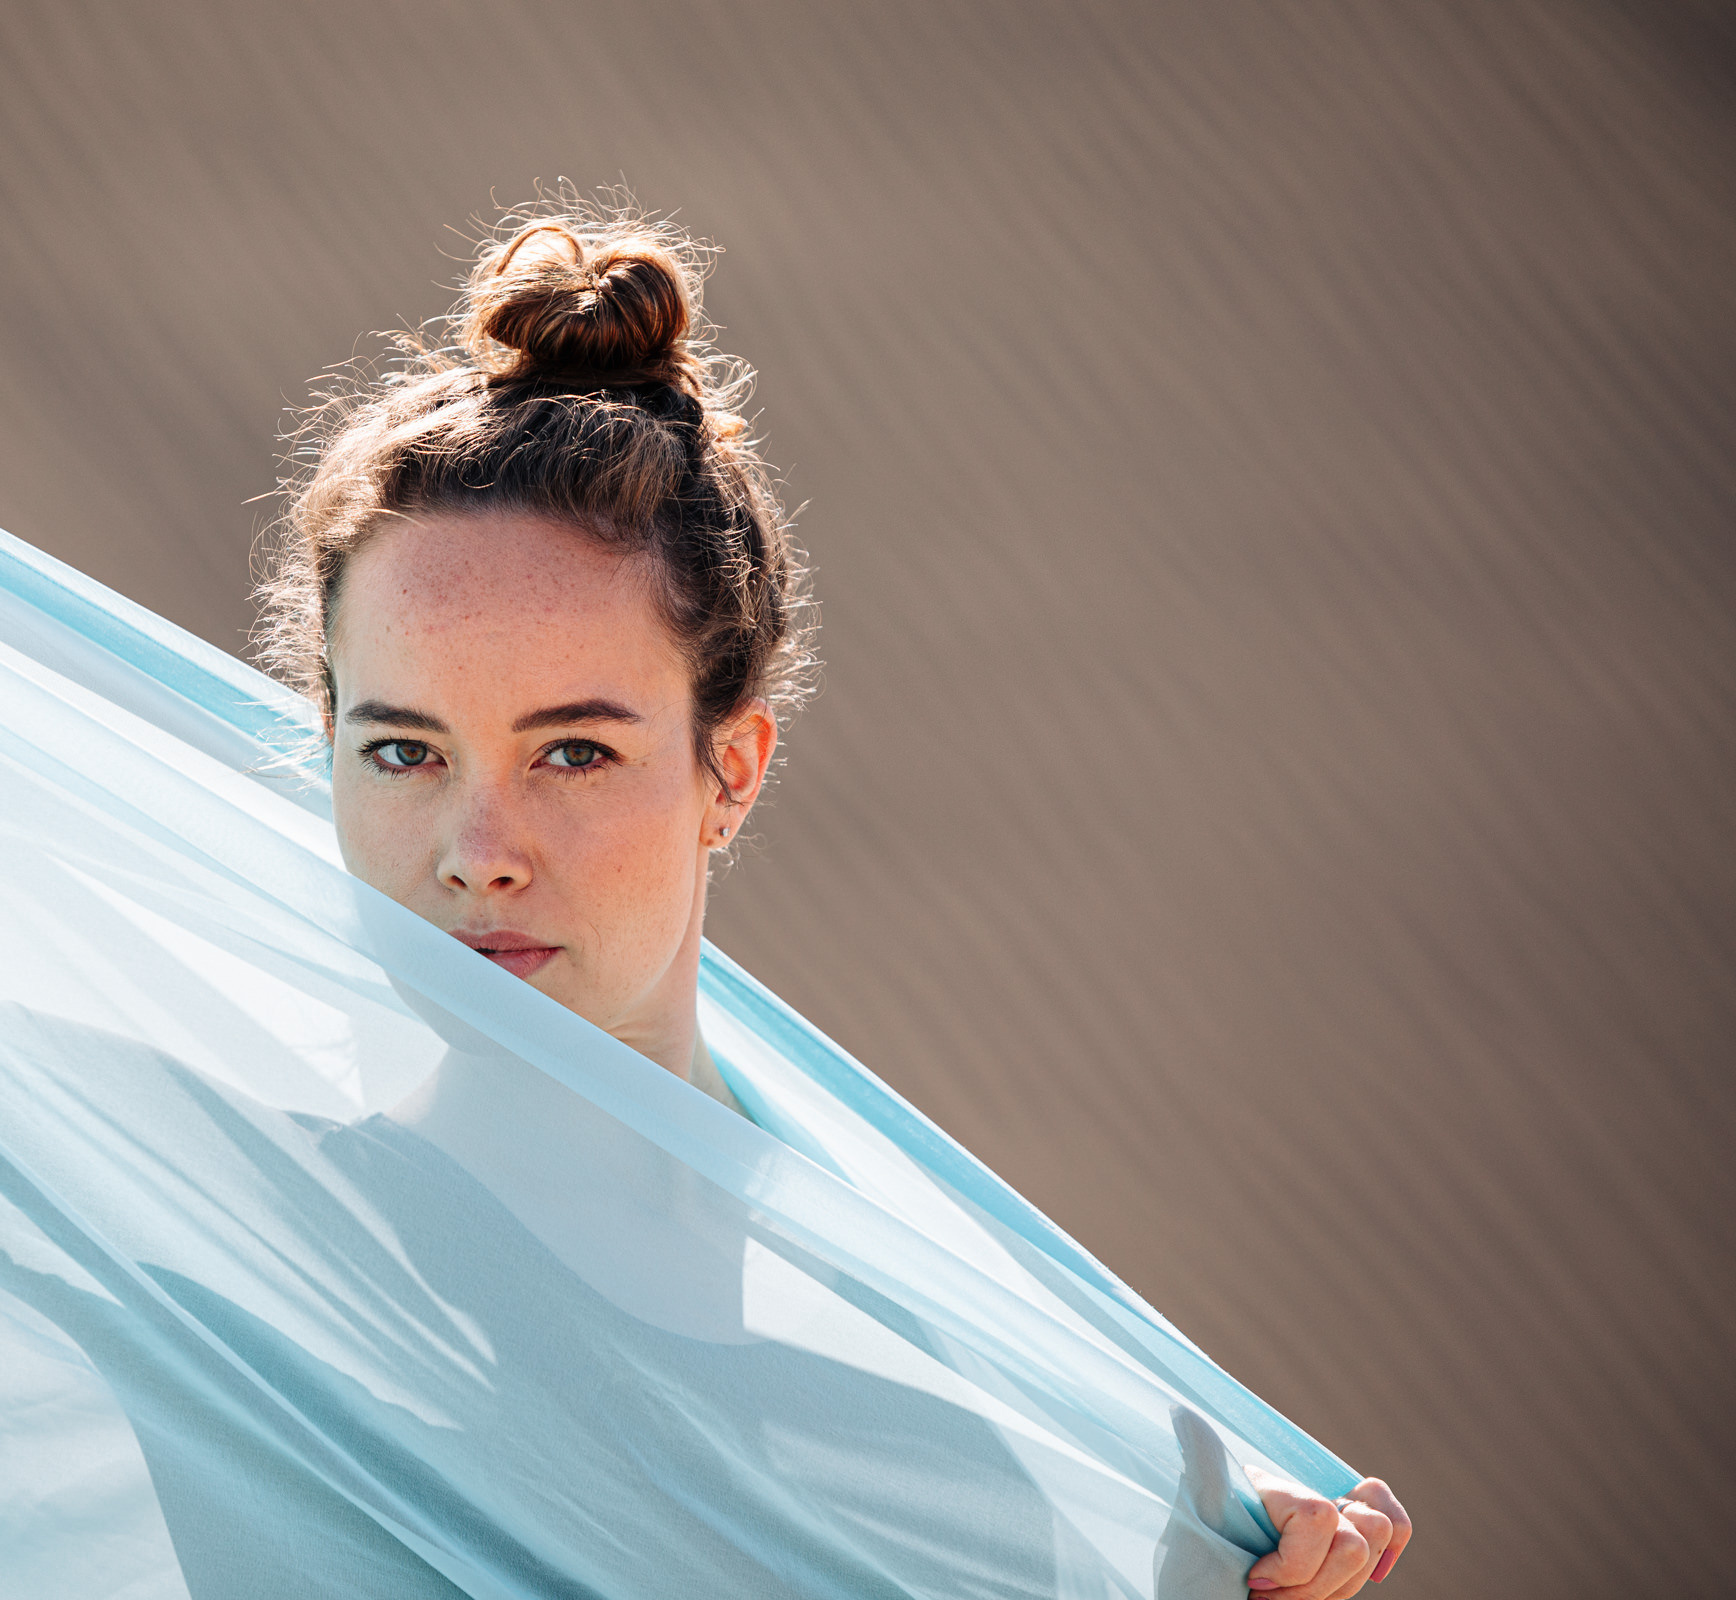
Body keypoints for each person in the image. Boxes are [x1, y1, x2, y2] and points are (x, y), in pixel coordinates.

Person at [256, 199, 1414, 1599]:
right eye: (402, 751)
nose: (474, 848)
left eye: (573, 751)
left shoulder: (960, 1386)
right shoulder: (247, 1285)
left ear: (729, 768)